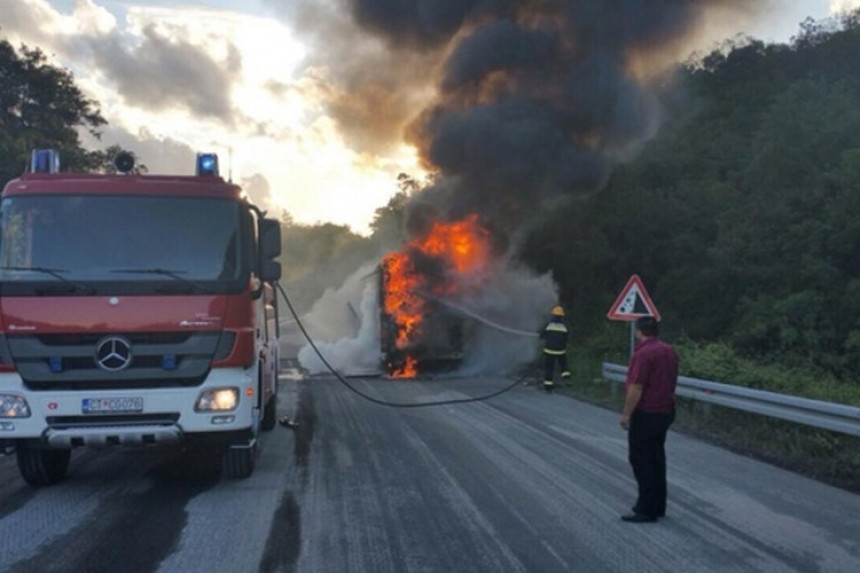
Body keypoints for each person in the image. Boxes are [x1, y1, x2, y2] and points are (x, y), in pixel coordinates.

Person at [619, 315, 678, 523]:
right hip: (665, 412)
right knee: (656, 459)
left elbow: (636, 387)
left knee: (641, 460)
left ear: (639, 331)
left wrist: (627, 414)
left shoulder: (643, 354)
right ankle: (658, 505)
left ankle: (645, 509)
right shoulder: (669, 351)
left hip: (647, 413)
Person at [539, 305, 571, 393]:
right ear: (562, 316)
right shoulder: (565, 326)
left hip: (549, 351)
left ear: (553, 315)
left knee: (549, 368)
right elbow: (567, 338)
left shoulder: (549, 325)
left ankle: (548, 387)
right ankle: (567, 379)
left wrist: (548, 337)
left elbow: (541, 336)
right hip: (560, 351)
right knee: (563, 365)